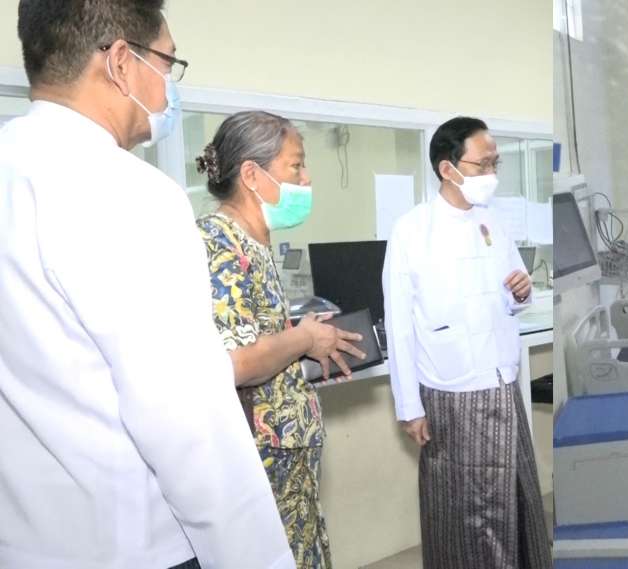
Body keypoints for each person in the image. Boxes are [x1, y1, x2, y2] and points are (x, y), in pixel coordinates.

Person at [0, 2, 291, 568]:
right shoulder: (129, 194)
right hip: (132, 546)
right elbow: (186, 419)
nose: (167, 86)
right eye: (166, 61)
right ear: (120, 63)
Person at [195, 111, 367, 569]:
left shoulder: (253, 243)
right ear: (252, 175)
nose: (306, 178)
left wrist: (305, 341)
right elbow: (234, 362)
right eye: (296, 165)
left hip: (288, 455)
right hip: (261, 459)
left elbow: (259, 336)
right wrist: (304, 338)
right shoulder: (218, 243)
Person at [383, 117, 551, 568]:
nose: (491, 174)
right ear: (448, 168)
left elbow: (515, 292)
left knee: (515, 499)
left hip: (502, 381)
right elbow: (399, 325)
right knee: (465, 512)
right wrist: (409, 406)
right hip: (452, 393)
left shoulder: (493, 221)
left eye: (496, 164)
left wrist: (521, 292)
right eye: (483, 164)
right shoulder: (412, 230)